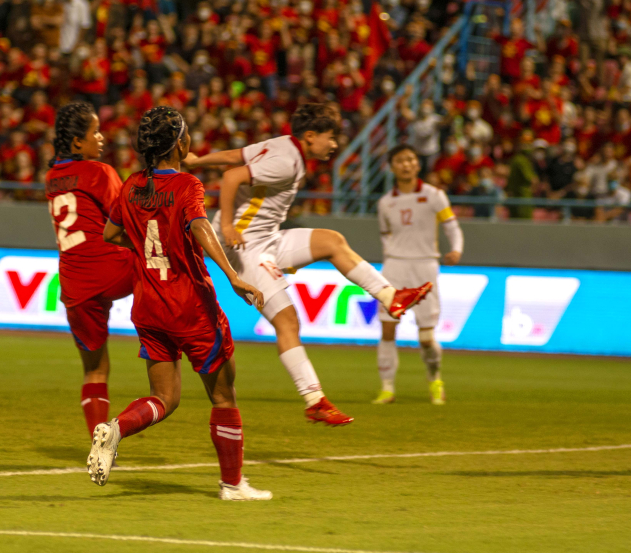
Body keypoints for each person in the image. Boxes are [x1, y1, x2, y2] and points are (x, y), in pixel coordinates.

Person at [183, 104, 431, 425]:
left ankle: (390, 297)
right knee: (287, 322)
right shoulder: (286, 161)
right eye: (331, 138)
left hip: (267, 238)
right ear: (310, 136)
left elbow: (236, 157)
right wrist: (228, 226)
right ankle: (315, 399)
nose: (335, 144)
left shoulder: (284, 146)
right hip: (244, 248)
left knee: (332, 241)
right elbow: (231, 177)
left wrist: (198, 161)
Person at [93, 106, 270, 501]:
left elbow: (110, 233)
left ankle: (116, 428)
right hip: (189, 305)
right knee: (224, 395)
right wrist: (233, 275)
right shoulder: (187, 184)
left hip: (148, 306)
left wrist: (142, 247)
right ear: (180, 144)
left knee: (165, 398)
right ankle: (233, 484)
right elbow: (199, 225)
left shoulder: (132, 184)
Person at [45, 102, 136, 437]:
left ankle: (98, 440)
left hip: (75, 284)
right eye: (94, 132)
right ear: (76, 144)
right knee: (163, 258)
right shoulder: (99, 172)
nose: (101, 138)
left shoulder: (51, 178)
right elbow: (127, 219)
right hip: (114, 269)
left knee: (95, 369)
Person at [373, 144, 464, 405]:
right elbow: (385, 235)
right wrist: (391, 258)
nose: (406, 164)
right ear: (392, 167)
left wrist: (456, 250)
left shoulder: (435, 195)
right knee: (388, 330)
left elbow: (452, 227)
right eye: (400, 160)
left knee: (426, 338)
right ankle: (387, 388)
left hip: (425, 267)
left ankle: (435, 379)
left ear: (417, 164)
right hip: (394, 268)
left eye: (411, 159)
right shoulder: (385, 202)